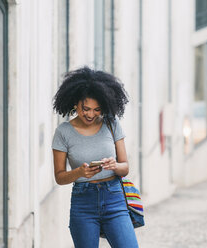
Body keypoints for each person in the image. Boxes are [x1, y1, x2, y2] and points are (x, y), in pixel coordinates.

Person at [52, 66, 139, 248]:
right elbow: (59, 177)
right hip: (83, 203)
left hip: (114, 197)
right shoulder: (63, 132)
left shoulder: (111, 124)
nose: (91, 114)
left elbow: (125, 167)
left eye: (97, 109)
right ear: (75, 103)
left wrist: (114, 165)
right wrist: (79, 172)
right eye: (86, 109)